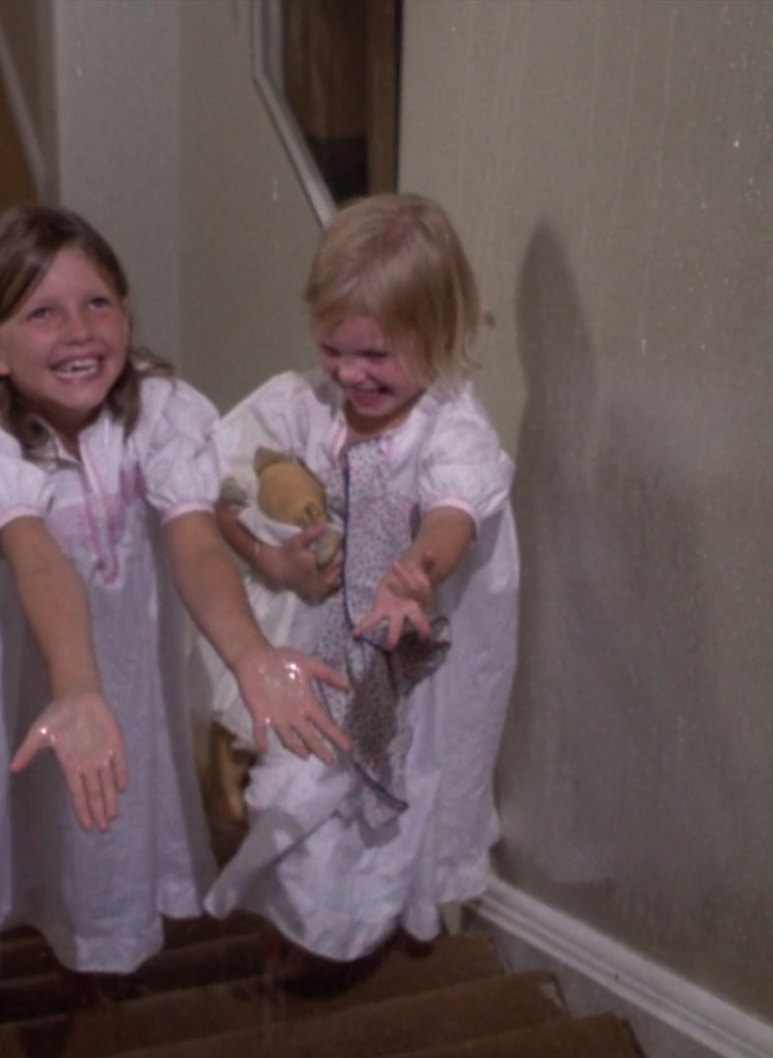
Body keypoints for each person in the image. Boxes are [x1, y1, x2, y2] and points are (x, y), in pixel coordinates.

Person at [0, 206, 351, 1031]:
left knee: (92, 821)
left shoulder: (159, 412)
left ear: (126, 312)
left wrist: (251, 653)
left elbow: (194, 545)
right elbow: (39, 560)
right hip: (11, 676)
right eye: (42, 313)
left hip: (113, 678)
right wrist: (76, 688)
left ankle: (83, 966)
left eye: (96, 304)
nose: (78, 331)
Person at [197, 192, 519, 982]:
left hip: (407, 661)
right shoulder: (303, 406)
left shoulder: (448, 426)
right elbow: (213, 488)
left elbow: (453, 512)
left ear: (436, 336)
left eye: (375, 355)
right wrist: (269, 559)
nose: (349, 373)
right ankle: (296, 921)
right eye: (332, 349)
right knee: (297, 788)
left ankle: (374, 920)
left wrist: (417, 575)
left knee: (395, 798)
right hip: (317, 649)